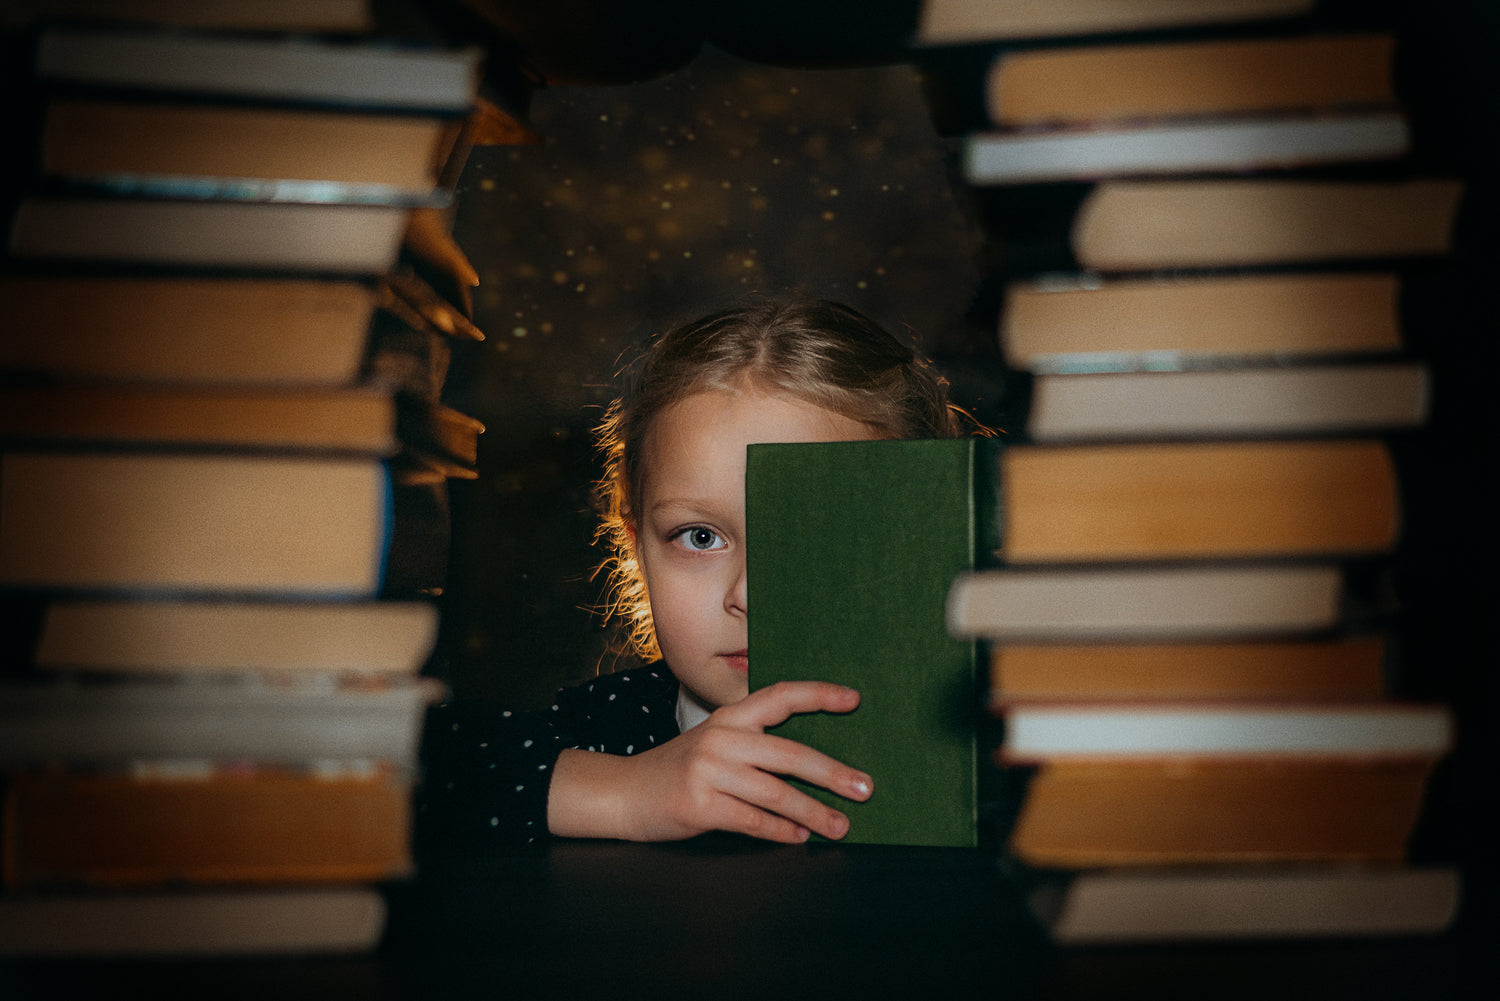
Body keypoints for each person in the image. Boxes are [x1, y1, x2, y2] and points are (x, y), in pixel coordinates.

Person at [416, 297, 966, 852]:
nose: (749, 594)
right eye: (700, 537)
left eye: (820, 537)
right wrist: (624, 794)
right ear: (634, 546)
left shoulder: (988, 731)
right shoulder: (600, 735)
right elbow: (387, 771)